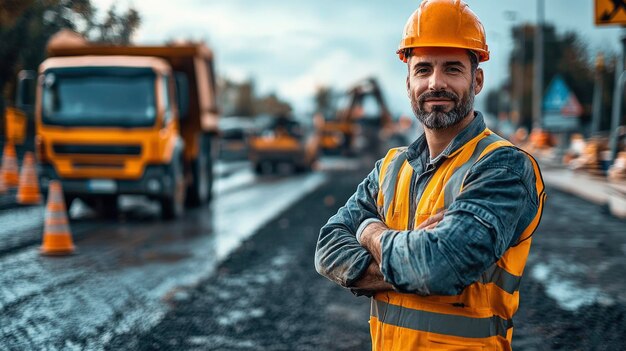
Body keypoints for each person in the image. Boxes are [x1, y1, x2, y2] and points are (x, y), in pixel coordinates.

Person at [314, 0, 546, 350]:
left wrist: (371, 232)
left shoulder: (503, 167)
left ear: (477, 79)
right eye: (423, 69)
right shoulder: (390, 168)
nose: (435, 83)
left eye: (452, 69)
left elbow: (441, 266)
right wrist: (412, 261)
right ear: (408, 82)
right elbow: (328, 249)